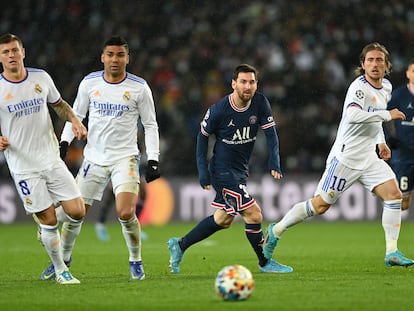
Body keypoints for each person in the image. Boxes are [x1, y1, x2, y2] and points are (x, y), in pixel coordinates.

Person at [263, 42, 414, 268]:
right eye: (370, 60)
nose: (374, 64)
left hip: (370, 157)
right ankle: (275, 231)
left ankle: (391, 252)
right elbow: (353, 115)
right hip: (346, 157)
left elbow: (373, 122)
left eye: (379, 60)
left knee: (394, 195)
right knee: (320, 206)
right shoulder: (358, 88)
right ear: (362, 65)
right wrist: (387, 114)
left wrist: (381, 142)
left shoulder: (387, 87)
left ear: (386, 65)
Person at [42, 35, 161, 281]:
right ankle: (63, 260)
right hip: (93, 159)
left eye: (120, 55)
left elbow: (150, 125)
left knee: (126, 213)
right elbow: (76, 115)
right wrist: (65, 142)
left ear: (127, 58)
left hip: (125, 158)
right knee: (76, 213)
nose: (115, 59)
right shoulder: (89, 83)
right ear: (102, 57)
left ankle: (136, 261)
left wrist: (153, 158)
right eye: (110, 55)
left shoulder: (139, 87)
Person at [168, 63, 292, 274]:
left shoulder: (261, 103)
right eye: (243, 82)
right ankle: (264, 262)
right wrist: (203, 171)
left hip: (240, 171)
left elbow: (271, 134)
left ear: (256, 84)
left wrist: (274, 161)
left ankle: (179, 245)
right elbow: (202, 138)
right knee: (254, 214)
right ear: (234, 84)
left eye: (252, 82)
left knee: (223, 219)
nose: (247, 86)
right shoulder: (219, 110)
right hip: (221, 171)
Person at [0, 33, 87, 284]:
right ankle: (61, 270)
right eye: (6, 52)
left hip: (50, 159)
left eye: (15, 50)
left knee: (78, 211)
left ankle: (44, 227)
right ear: (0, 57)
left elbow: (58, 104)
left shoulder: (41, 78)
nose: (11, 55)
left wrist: (74, 120)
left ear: (23, 52)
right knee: (50, 220)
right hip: (23, 166)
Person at [385, 59, 414, 211]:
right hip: (404, 156)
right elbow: (385, 118)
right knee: (403, 202)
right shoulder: (398, 95)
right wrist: (390, 138)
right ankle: (392, 231)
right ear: (408, 74)